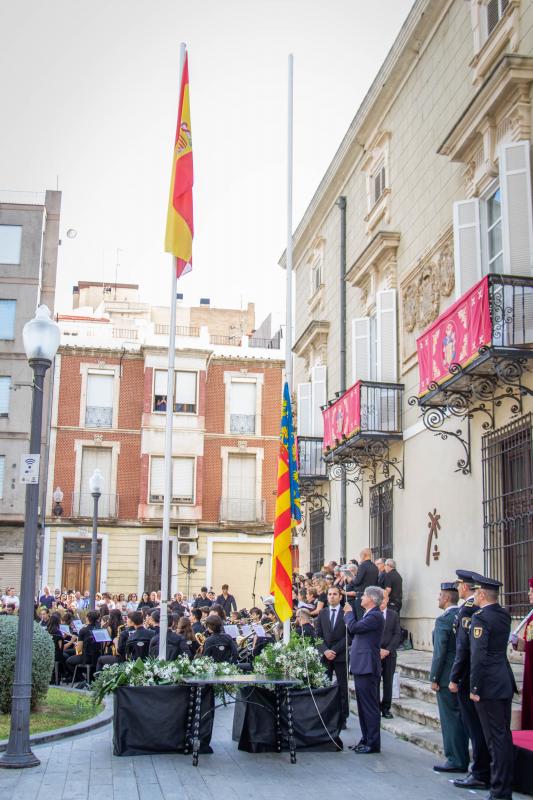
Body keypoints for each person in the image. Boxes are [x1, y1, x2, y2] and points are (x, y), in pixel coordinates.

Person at [469, 573, 517, 800]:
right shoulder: (504, 615)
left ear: (480, 594)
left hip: (488, 683)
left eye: (476, 593)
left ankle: (499, 791)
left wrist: (475, 687)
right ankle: (503, 786)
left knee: (495, 739)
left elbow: (479, 656)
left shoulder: (481, 618)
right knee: (503, 736)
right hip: (503, 680)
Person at [449, 569, 491, 791]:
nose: (457, 589)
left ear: (465, 587)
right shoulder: (474, 607)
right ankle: (481, 769)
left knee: (475, 727)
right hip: (474, 674)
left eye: (459, 585)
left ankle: (480, 772)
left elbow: (463, 648)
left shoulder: (469, 608)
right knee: (476, 727)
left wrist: (455, 676)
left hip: (468, 675)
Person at [430, 582, 469, 774]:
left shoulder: (444, 620)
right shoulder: (464, 615)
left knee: (450, 719)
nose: (438, 598)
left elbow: (440, 652)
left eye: (439, 595)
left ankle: (455, 759)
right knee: (462, 718)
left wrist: (434, 677)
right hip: (463, 675)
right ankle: (463, 758)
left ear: (446, 598)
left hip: (446, 676)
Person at [344, 585, 385, 753]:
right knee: (362, 706)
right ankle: (366, 738)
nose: (361, 598)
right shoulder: (369, 614)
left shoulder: (375, 616)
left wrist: (348, 614)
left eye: (364, 596)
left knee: (369, 706)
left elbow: (354, 628)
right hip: (362, 665)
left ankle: (373, 742)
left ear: (372, 599)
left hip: (368, 666)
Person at [316, 586, 350, 729]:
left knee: (342, 687)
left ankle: (343, 718)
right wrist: (325, 650)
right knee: (324, 685)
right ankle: (324, 716)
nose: (332, 596)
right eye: (329, 594)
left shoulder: (346, 612)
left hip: (340, 655)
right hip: (325, 656)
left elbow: (349, 635)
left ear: (340, 596)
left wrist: (334, 650)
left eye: (335, 594)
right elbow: (317, 636)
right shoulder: (322, 613)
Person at [513, 577, 533, 729]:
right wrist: (516, 641)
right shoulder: (531, 616)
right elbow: (528, 644)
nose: (528, 594)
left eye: (531, 591)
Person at [379, 591, 401, 719]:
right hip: (375, 654)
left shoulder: (393, 615)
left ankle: (386, 708)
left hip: (389, 655)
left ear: (387, 599)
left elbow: (397, 634)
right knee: (375, 683)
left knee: (388, 682)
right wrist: (378, 650)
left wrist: (387, 650)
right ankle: (376, 707)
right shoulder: (372, 614)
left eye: (384, 598)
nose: (382, 600)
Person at [344, 549, 379, 620]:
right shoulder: (375, 567)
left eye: (360, 556)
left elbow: (357, 581)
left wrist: (351, 579)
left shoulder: (363, 565)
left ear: (364, 555)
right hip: (372, 596)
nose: (360, 558)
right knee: (369, 617)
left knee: (360, 618)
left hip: (361, 596)